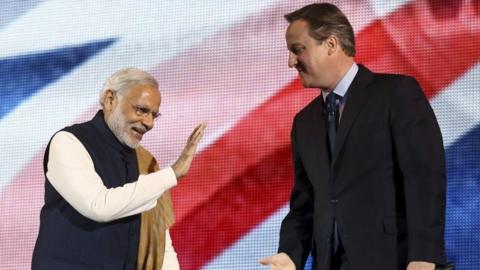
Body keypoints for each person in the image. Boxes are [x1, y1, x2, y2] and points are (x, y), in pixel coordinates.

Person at [260, 3, 446, 270]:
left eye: (298, 49)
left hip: (391, 261)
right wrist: (290, 253)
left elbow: (424, 179)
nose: (291, 61)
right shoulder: (303, 123)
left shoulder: (396, 94)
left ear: (331, 44)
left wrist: (425, 256)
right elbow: (305, 202)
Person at [32, 68, 207, 269]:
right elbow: (98, 205)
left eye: (154, 115)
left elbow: (160, 242)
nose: (149, 123)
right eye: (141, 110)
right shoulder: (69, 142)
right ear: (110, 100)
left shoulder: (146, 162)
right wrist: (172, 173)